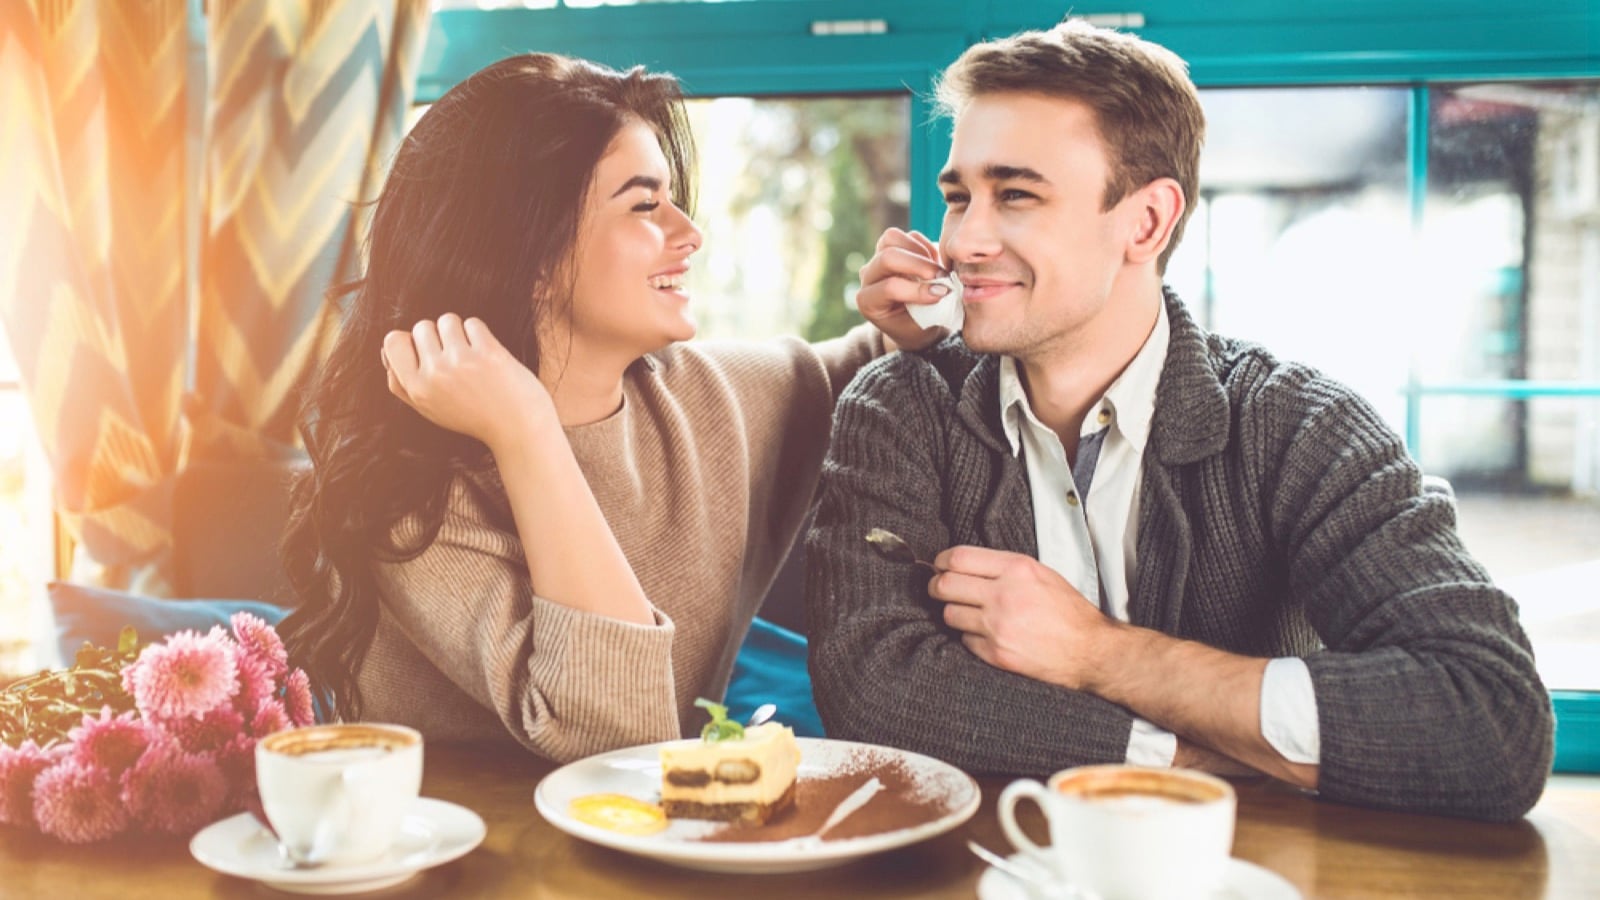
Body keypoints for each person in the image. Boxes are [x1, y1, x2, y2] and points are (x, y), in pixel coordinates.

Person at [805, 20, 1553, 822]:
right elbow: (874, 691)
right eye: (959, 197)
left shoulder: (1299, 427)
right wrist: (1189, 754)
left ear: (1149, 221)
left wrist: (1098, 654)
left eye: (1015, 194)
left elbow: (1491, 721)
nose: (964, 238)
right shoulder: (900, 407)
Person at [277, 53, 928, 762]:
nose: (689, 233)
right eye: (644, 205)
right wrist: (524, 429)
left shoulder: (716, 397)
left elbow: (876, 363)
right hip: (475, 857)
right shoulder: (407, 488)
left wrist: (912, 304)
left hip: (650, 849)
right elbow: (616, 739)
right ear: (528, 256)